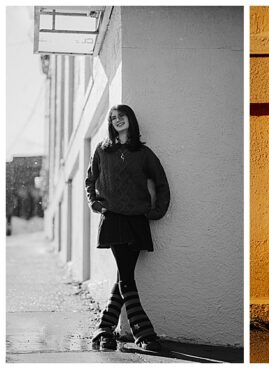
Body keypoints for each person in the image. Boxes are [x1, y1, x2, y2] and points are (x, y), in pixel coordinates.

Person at [86, 104, 171, 351]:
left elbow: (161, 183)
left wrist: (156, 212)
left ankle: (104, 330)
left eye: (121, 116)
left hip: (136, 220)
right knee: (126, 275)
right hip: (113, 219)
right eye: (113, 118)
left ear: (130, 120)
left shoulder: (144, 153)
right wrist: (94, 203)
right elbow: (90, 179)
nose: (117, 120)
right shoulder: (103, 151)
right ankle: (143, 333)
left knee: (124, 276)